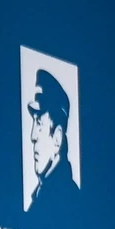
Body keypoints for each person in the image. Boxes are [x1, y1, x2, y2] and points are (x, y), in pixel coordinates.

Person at [25, 67, 77, 213]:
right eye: (33, 122)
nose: (33, 136)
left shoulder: (68, 200)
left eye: (39, 124)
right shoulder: (41, 195)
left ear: (57, 139)